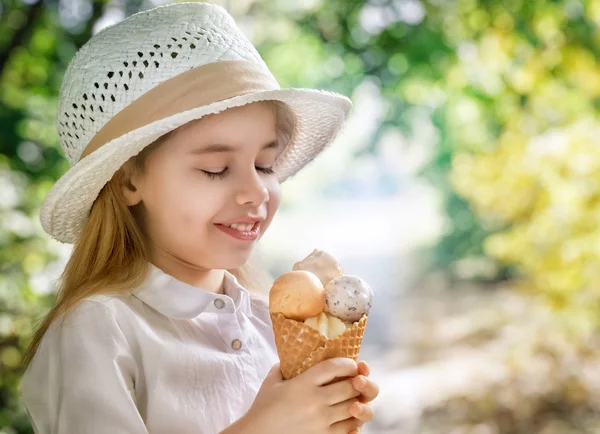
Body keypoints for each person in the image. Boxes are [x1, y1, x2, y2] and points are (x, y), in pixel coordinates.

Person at [20, 2, 380, 433]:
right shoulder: (99, 331)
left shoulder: (270, 322)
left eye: (265, 164)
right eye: (215, 169)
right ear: (127, 181)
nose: (256, 191)